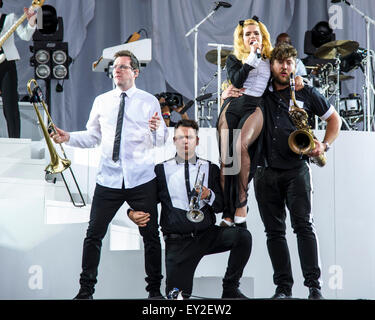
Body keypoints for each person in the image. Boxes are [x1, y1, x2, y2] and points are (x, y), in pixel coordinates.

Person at [51, 50, 168, 299]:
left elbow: (160, 141)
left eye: (124, 67)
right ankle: (85, 291)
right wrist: (68, 137)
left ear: (135, 72)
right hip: (109, 179)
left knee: (151, 236)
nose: (117, 70)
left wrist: (157, 130)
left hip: (141, 179)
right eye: (115, 67)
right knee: (93, 234)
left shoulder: (149, 101)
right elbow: (93, 136)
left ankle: (155, 292)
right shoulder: (102, 101)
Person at [253, 43, 341, 299]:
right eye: (279, 62)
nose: (284, 67)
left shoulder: (307, 92)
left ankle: (314, 287)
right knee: (274, 233)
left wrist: (324, 144)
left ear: (294, 65)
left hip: (296, 170)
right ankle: (283, 289)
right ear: (271, 65)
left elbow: (334, 119)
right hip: (265, 171)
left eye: (289, 63)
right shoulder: (261, 91)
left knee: (303, 226)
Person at [129, 119, 252, 299]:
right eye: (180, 137)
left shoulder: (211, 168)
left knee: (243, 237)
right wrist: (131, 213)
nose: (185, 141)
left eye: (189, 137)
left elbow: (219, 207)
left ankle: (230, 288)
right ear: (174, 141)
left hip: (207, 235)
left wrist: (208, 194)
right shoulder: (160, 170)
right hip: (178, 243)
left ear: (197, 141)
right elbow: (145, 201)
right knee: (177, 297)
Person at [216, 16, 273, 229]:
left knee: (240, 147)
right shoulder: (235, 59)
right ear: (241, 38)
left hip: (254, 105)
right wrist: (251, 57)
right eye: (247, 34)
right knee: (226, 160)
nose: (251, 36)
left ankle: (241, 203)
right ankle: (227, 211)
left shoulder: (270, 58)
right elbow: (237, 81)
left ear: (262, 36)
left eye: (255, 33)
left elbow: (281, 80)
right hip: (232, 106)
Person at [0, 1, 36, 138]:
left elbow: (26, 36)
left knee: (10, 107)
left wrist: (31, 21)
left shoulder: (10, 18)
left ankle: (14, 140)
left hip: (7, 64)